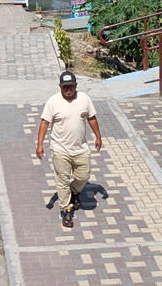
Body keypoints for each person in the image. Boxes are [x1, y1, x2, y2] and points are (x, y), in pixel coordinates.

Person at [35, 71, 102, 228]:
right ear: (60, 87)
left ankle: (74, 191)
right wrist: (40, 145)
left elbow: (91, 118)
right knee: (62, 181)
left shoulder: (84, 99)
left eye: (71, 86)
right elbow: (44, 123)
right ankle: (66, 210)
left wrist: (98, 137)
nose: (68, 90)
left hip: (80, 149)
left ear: (76, 85)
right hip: (60, 150)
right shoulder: (53, 102)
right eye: (65, 87)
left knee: (84, 176)